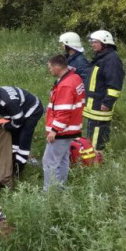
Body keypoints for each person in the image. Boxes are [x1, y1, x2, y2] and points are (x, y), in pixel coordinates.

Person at [0, 82, 44, 176]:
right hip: (19, 111)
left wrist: (6, 126)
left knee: (24, 137)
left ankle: (19, 170)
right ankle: (13, 159)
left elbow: (18, 121)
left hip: (32, 110)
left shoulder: (8, 101)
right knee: (14, 135)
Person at [43, 54, 86, 191]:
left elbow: (64, 111)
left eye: (50, 67)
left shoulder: (65, 86)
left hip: (62, 130)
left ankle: (49, 193)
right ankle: (60, 188)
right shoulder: (75, 77)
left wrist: (54, 130)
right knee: (62, 160)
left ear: (57, 67)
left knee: (49, 162)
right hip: (71, 128)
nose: (49, 70)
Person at [83, 30, 125, 150]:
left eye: (95, 42)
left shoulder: (111, 60)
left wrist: (107, 102)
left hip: (101, 104)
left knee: (98, 132)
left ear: (105, 42)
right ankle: (93, 156)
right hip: (94, 105)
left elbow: (115, 84)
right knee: (94, 130)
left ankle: (95, 160)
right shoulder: (101, 58)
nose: (92, 44)